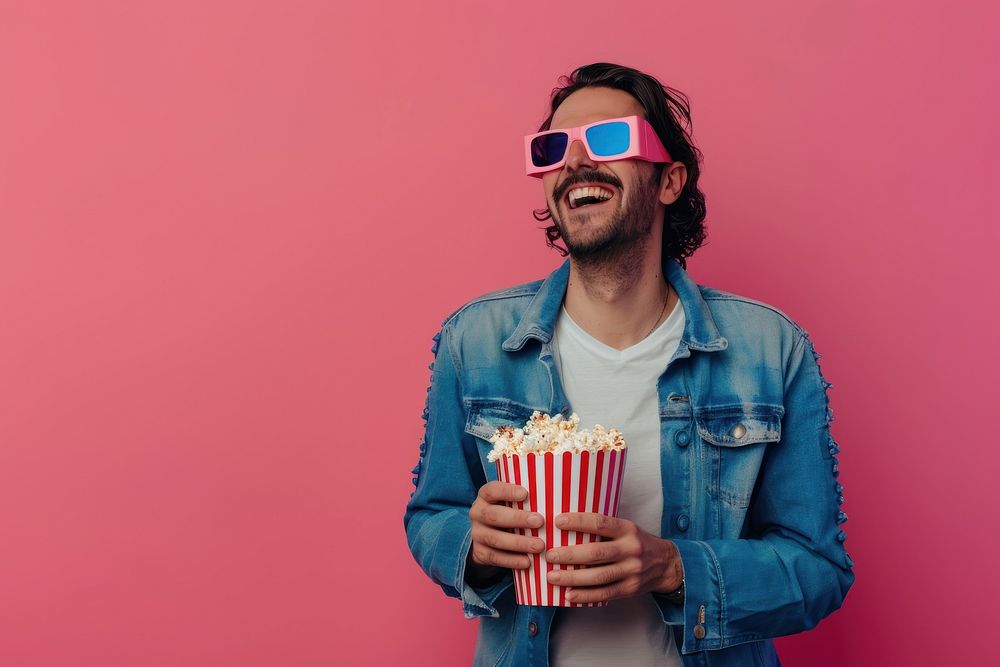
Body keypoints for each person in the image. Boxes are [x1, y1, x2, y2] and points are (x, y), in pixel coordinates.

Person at [403, 62, 854, 667]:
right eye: (552, 148)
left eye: (610, 139)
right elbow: (432, 516)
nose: (574, 162)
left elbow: (819, 570)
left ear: (669, 180)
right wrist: (476, 547)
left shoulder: (769, 350)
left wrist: (671, 566)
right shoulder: (477, 342)